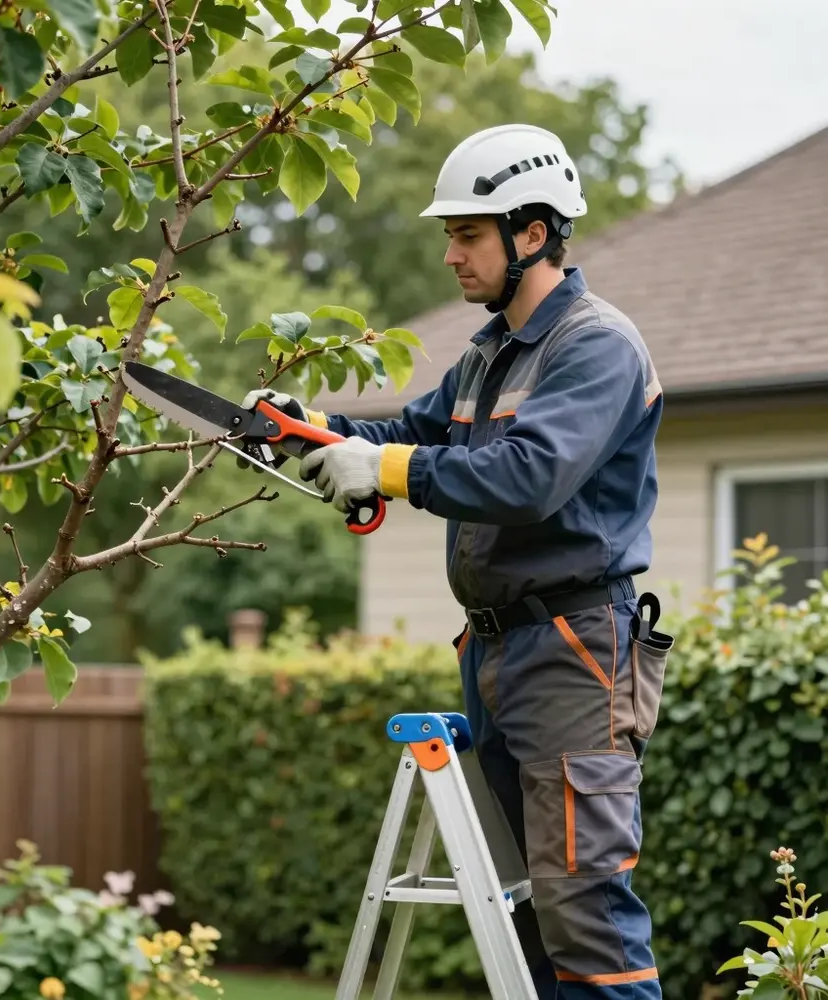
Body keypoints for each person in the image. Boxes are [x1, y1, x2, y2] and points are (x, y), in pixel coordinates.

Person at [242, 123, 674, 1000]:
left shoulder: (597, 345)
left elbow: (528, 478)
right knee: (529, 913)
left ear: (533, 232)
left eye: (467, 234)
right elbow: (407, 435)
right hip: (495, 651)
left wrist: (386, 471)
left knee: (584, 908)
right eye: (450, 234)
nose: (450, 254)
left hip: (574, 650)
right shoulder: (487, 354)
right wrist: (315, 432)